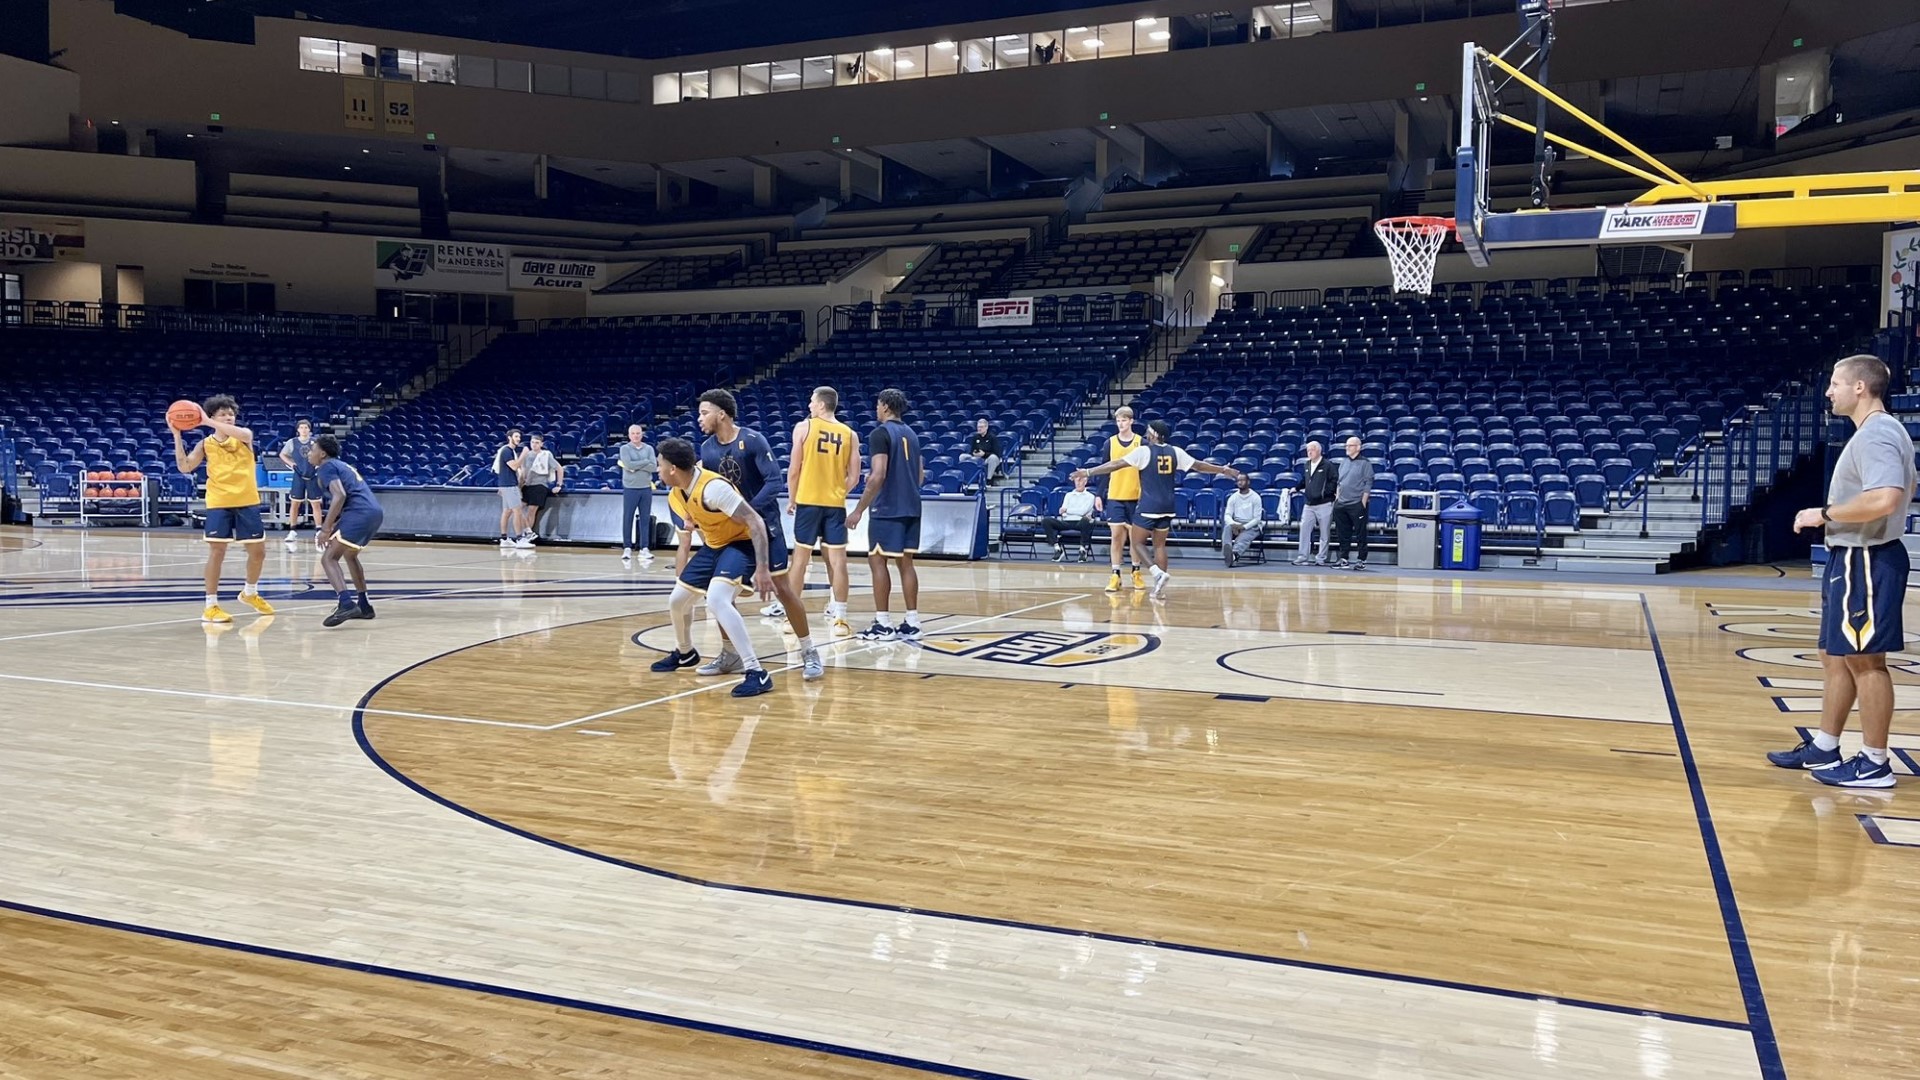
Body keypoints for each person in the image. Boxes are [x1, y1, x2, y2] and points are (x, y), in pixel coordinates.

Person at [1768, 354, 1916, 788]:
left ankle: (1874, 762)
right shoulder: (1878, 433)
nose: (1828, 391)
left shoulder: (1877, 435)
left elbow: (1887, 498)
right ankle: (1826, 745)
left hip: (1865, 558)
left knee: (1866, 660)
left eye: (1835, 383)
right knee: (1835, 655)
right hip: (1853, 556)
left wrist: (1824, 514)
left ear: (1859, 388)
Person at [697, 388, 823, 681]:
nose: (699, 418)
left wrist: (747, 512)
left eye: (704, 412)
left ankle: (809, 651)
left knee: (784, 590)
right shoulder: (706, 449)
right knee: (720, 593)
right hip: (732, 534)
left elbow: (774, 480)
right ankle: (730, 654)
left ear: (722, 414)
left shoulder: (752, 440)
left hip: (765, 528)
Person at [650, 437, 780, 697]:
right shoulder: (677, 493)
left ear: (673, 468)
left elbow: (755, 522)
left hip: (742, 543)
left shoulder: (713, 488)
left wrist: (762, 568)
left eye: (659, 464)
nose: (657, 469)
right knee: (678, 600)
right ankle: (685, 653)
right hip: (715, 546)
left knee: (718, 600)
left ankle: (756, 671)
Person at [1075, 419, 1239, 598]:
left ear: (1154, 434)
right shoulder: (1176, 451)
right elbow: (1199, 466)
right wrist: (1223, 470)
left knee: (1137, 543)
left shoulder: (1143, 451)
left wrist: (1089, 472)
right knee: (1160, 545)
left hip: (1149, 504)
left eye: (1148, 431)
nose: (1146, 433)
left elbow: (1115, 464)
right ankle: (1159, 589)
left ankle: (1156, 573)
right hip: (1168, 505)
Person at [172, 394, 275, 624]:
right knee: (217, 552)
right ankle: (211, 606)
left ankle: (249, 592)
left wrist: (206, 421)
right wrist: (177, 435)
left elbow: (245, 433)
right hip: (219, 502)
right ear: (213, 416)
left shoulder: (244, 436)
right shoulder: (205, 444)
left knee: (258, 552)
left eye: (231, 414)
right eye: (223, 414)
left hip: (247, 500)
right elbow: (185, 467)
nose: (229, 417)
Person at [847, 388, 923, 639]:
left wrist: (858, 510)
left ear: (886, 407)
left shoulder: (880, 433)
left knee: (877, 561)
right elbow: (920, 476)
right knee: (906, 564)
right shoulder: (912, 434)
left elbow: (878, 474)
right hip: (912, 506)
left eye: (878, 405)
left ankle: (883, 623)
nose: (876, 409)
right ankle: (912, 622)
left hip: (888, 508)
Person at [787, 385, 861, 638]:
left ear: (821, 404)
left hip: (808, 501)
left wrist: (791, 498)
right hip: (834, 504)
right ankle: (840, 618)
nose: (809, 405)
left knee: (799, 561)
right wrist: (840, 490)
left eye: (811, 401)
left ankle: (792, 619)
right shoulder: (850, 434)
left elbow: (794, 468)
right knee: (839, 562)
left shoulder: (803, 427)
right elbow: (855, 475)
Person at [308, 434, 383, 627]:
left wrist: (325, 528)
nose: (310, 453)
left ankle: (346, 603)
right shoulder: (341, 465)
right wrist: (334, 523)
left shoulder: (326, 467)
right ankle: (364, 605)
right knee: (350, 555)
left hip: (359, 513)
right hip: (373, 512)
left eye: (312, 449)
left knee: (328, 558)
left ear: (322, 453)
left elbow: (339, 495)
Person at [1100, 405, 1151, 592]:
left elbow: (1147, 471)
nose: (1120, 424)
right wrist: (1099, 494)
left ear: (1131, 421)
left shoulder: (1142, 443)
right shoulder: (1110, 443)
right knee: (1115, 537)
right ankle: (1115, 574)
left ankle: (1136, 572)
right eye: (1118, 420)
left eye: (1123, 420)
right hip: (1115, 495)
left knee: (1135, 539)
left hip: (1136, 496)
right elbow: (1104, 470)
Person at [1330, 436, 1375, 569]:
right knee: (1342, 533)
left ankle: (1361, 559)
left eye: (1350, 446)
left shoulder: (1365, 463)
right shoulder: (1343, 462)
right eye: (1346, 445)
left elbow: (1368, 483)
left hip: (1357, 504)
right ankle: (1343, 558)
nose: (1347, 448)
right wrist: (1337, 499)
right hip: (1341, 504)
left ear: (1358, 447)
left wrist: (1363, 503)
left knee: (1360, 533)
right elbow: (1339, 482)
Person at [277, 418, 323, 549]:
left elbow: (324, 454)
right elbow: (282, 454)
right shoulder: (292, 442)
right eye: (301, 427)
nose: (304, 430)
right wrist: (292, 464)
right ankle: (292, 530)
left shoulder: (316, 442)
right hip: (298, 475)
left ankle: (318, 530)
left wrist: (318, 465)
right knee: (295, 504)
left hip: (313, 475)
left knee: (316, 504)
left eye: (306, 427)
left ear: (310, 429)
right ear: (298, 430)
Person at [617, 423, 657, 567]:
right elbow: (628, 464)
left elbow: (653, 467)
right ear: (629, 435)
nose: (636, 435)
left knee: (645, 519)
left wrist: (638, 465)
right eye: (633, 433)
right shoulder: (624, 448)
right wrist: (644, 464)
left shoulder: (649, 448)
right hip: (630, 488)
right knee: (627, 518)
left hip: (645, 487)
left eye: (638, 433)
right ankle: (627, 548)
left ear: (642, 434)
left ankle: (644, 548)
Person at [1040, 473, 1102, 562]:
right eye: (1077, 481)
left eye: (1080, 481)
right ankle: (1057, 548)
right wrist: (1067, 512)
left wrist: (1067, 510)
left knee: (1087, 520)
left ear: (1085, 482)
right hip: (1067, 521)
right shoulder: (1068, 495)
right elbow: (1062, 512)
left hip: (1081, 522)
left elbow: (1082, 512)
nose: (1078, 483)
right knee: (1046, 521)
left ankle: (1082, 550)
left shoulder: (1090, 497)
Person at [1294, 440, 1336, 566]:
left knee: (1324, 533)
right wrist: (1296, 488)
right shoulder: (1307, 464)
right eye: (1307, 450)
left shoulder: (1328, 465)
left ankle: (1321, 558)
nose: (1309, 452)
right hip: (1309, 504)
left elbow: (1334, 481)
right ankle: (1302, 557)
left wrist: (1325, 493)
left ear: (1318, 450)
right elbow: (1305, 480)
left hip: (1324, 504)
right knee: (1304, 530)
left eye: (1311, 449)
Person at [517, 434, 562, 544]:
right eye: (532, 442)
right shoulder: (526, 455)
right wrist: (519, 486)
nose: (534, 444)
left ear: (541, 444)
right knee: (518, 509)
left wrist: (559, 484)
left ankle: (527, 534)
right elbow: (522, 472)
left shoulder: (546, 455)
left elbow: (559, 468)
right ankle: (525, 532)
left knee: (531, 511)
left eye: (537, 442)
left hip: (540, 485)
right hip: (527, 485)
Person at [492, 429, 527, 549]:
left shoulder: (508, 451)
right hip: (509, 485)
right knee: (517, 511)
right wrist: (524, 454)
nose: (518, 439)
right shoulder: (507, 451)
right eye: (516, 436)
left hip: (506, 484)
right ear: (509, 437)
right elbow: (514, 466)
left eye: (519, 437)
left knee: (507, 512)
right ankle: (519, 538)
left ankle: (504, 538)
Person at [1223, 474, 1263, 567]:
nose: (1240, 482)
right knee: (1227, 528)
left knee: (1243, 538)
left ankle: (1233, 556)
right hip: (1236, 523)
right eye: (1238, 480)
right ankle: (1227, 550)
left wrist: (1243, 527)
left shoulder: (1255, 497)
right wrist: (1233, 524)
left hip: (1251, 525)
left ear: (1248, 482)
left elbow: (1257, 519)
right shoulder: (1233, 497)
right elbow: (1227, 515)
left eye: (1242, 480)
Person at [968, 417, 1002, 484]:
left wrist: (984, 454)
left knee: (993, 458)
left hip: (988, 459)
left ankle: (988, 479)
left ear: (986, 427)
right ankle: (968, 478)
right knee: (962, 456)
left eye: (981, 427)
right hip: (977, 458)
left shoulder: (992, 437)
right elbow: (971, 450)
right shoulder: (975, 437)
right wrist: (974, 454)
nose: (979, 429)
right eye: (978, 427)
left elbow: (996, 453)